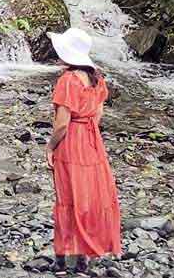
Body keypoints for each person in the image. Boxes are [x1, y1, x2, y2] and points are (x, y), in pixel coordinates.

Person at [46, 27, 122, 275]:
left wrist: (50, 147)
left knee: (66, 198)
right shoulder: (97, 79)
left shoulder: (67, 81)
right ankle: (82, 260)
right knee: (89, 197)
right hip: (92, 140)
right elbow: (98, 114)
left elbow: (61, 124)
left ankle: (60, 261)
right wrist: (87, 133)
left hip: (71, 143)